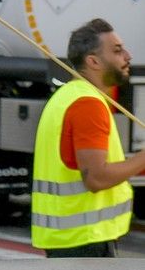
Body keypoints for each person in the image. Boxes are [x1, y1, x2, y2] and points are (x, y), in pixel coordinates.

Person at [31, 18, 145, 257]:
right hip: (85, 243)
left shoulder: (66, 97)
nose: (128, 55)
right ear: (93, 61)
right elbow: (96, 178)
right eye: (117, 50)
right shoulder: (87, 105)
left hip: (72, 241)